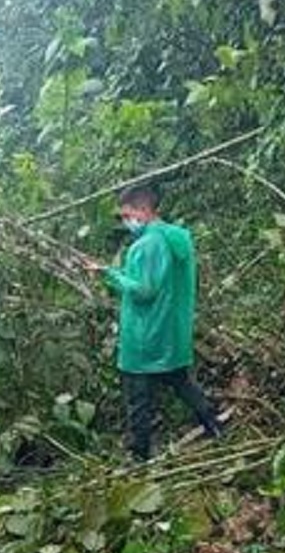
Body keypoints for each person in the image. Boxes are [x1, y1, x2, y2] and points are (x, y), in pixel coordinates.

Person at [83, 183, 221, 462]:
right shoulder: (177, 238)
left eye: (127, 215)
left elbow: (144, 290)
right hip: (171, 335)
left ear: (144, 210)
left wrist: (110, 274)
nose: (125, 222)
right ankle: (215, 425)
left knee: (138, 401)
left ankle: (139, 457)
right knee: (181, 383)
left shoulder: (146, 245)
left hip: (144, 337)